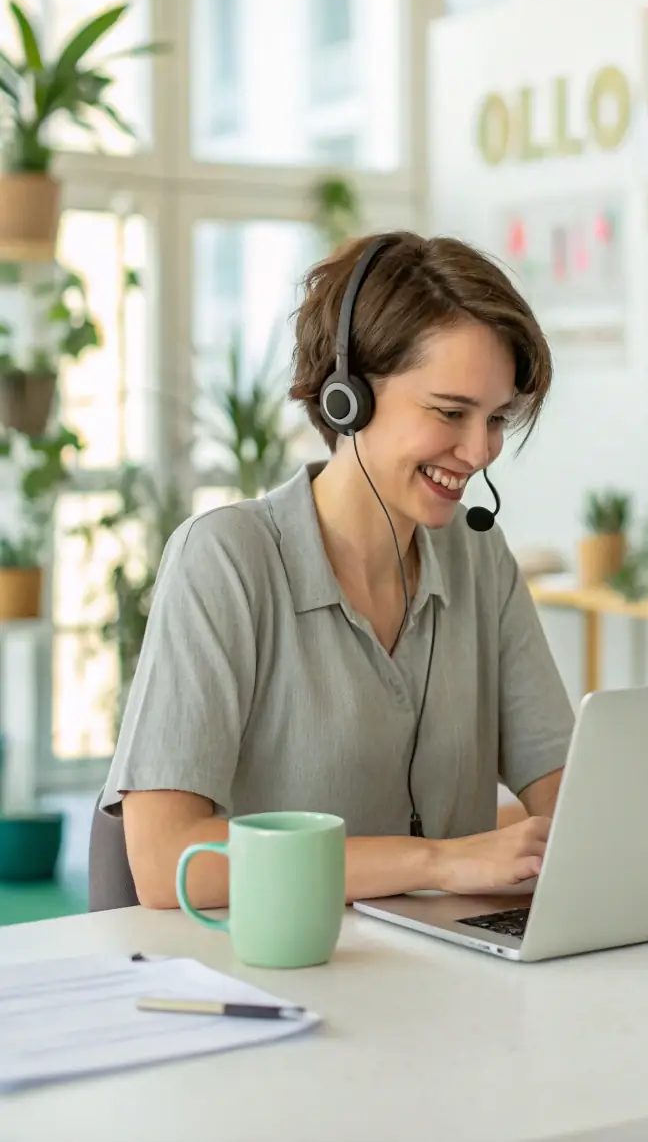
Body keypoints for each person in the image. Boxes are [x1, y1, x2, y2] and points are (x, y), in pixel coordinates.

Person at [99, 230, 575, 910]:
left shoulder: (479, 561)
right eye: (450, 412)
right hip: (274, 980)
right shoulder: (227, 561)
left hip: (453, 981)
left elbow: (571, 805)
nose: (479, 450)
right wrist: (438, 861)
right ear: (347, 396)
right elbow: (170, 861)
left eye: (497, 417)